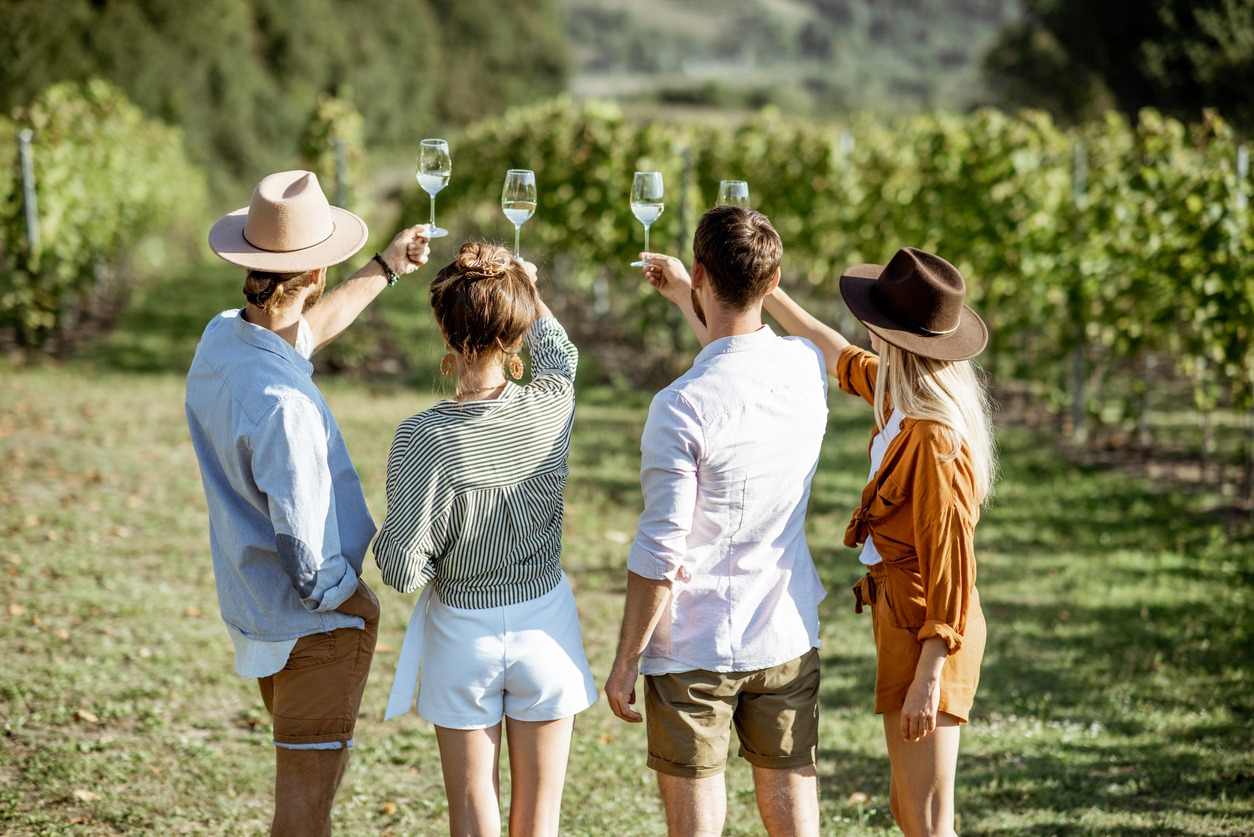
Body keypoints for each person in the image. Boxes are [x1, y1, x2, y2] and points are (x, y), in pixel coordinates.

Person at [185, 169, 431, 836]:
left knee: (302, 789)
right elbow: (302, 545)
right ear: (316, 274)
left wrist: (386, 266)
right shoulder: (285, 408)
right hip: (313, 625)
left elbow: (307, 329)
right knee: (303, 810)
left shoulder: (223, 341)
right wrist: (352, 599)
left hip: (256, 609)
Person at [604, 206, 830, 837]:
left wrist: (627, 660)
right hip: (785, 632)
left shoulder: (679, 407)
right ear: (775, 277)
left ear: (700, 270)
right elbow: (741, 357)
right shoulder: (806, 368)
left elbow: (661, 550)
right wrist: (690, 297)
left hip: (693, 649)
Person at [763, 247, 996, 837]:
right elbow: (836, 354)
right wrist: (767, 293)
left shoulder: (933, 439)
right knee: (910, 808)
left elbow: (952, 563)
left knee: (925, 817)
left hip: (930, 625)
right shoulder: (899, 393)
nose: (863, 332)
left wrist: (930, 673)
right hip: (902, 612)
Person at [373, 242, 598, 837]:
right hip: (545, 628)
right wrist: (525, 282)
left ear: (444, 335)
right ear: (518, 333)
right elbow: (563, 354)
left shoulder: (424, 437)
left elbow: (402, 570)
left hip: (460, 637)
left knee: (473, 813)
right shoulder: (552, 405)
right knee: (540, 820)